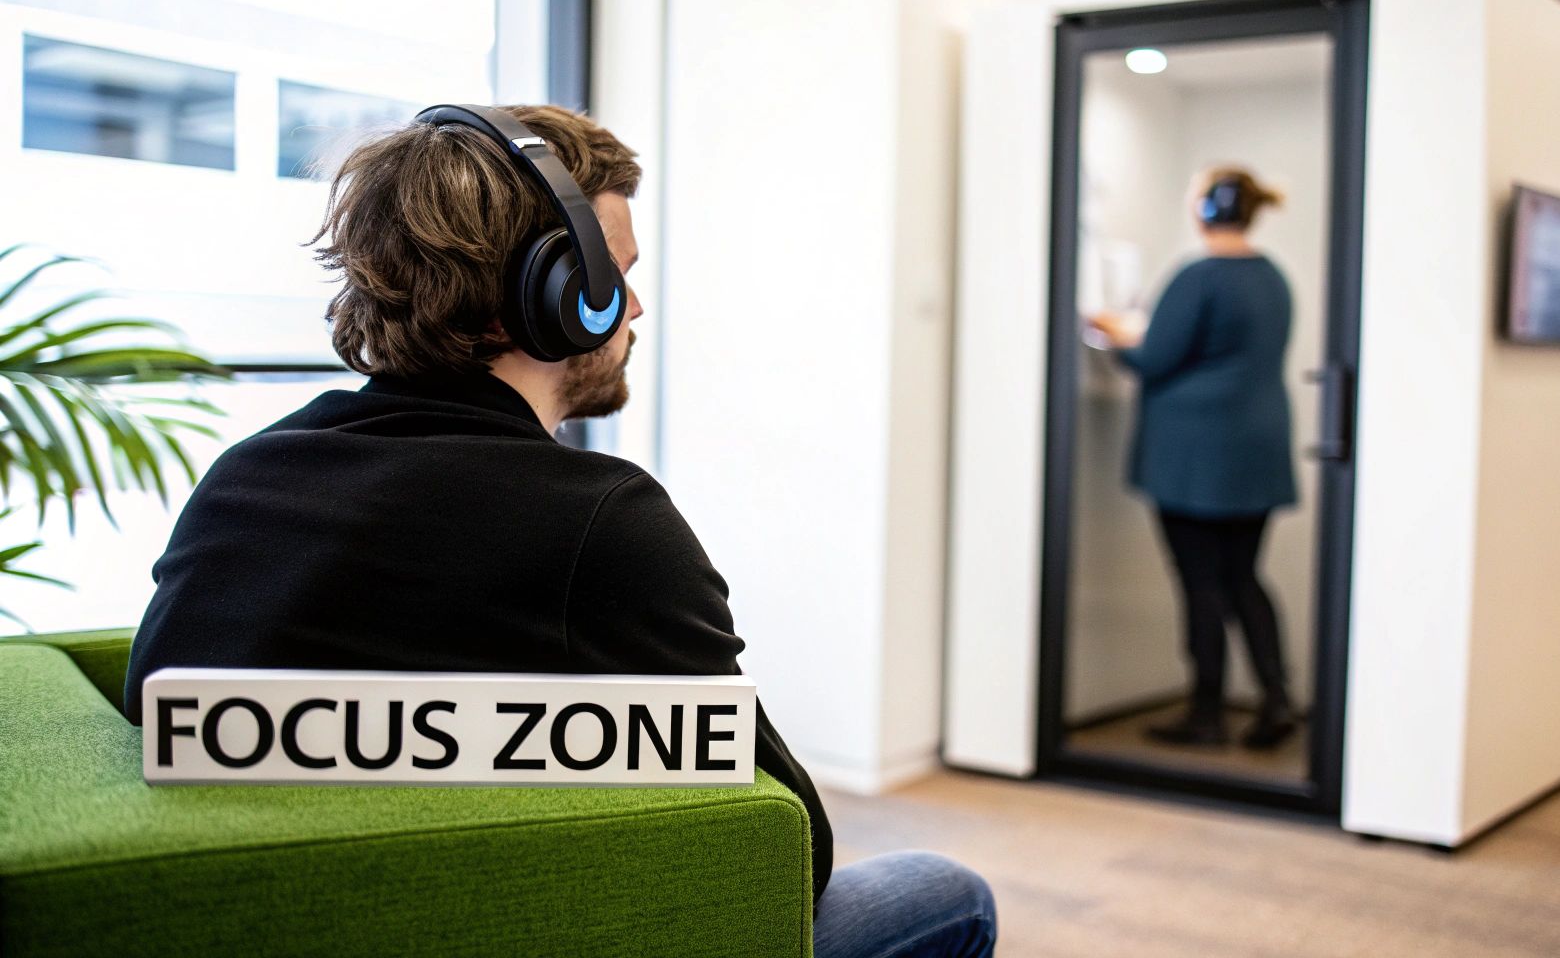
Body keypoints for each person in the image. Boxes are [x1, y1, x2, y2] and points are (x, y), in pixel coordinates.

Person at [121, 104, 994, 958]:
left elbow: (154, 715)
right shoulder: (603, 520)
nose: (636, 307)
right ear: (544, 296)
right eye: (614, 274)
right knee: (945, 892)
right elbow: (789, 849)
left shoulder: (248, 473)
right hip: (523, 928)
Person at [1089, 166, 1297, 751]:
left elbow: (1154, 358)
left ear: (1207, 209)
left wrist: (1114, 332)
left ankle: (1206, 714)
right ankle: (1276, 700)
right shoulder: (1272, 276)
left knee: (1201, 583)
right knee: (1243, 578)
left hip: (1194, 457)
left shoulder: (1199, 276)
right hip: (1255, 452)